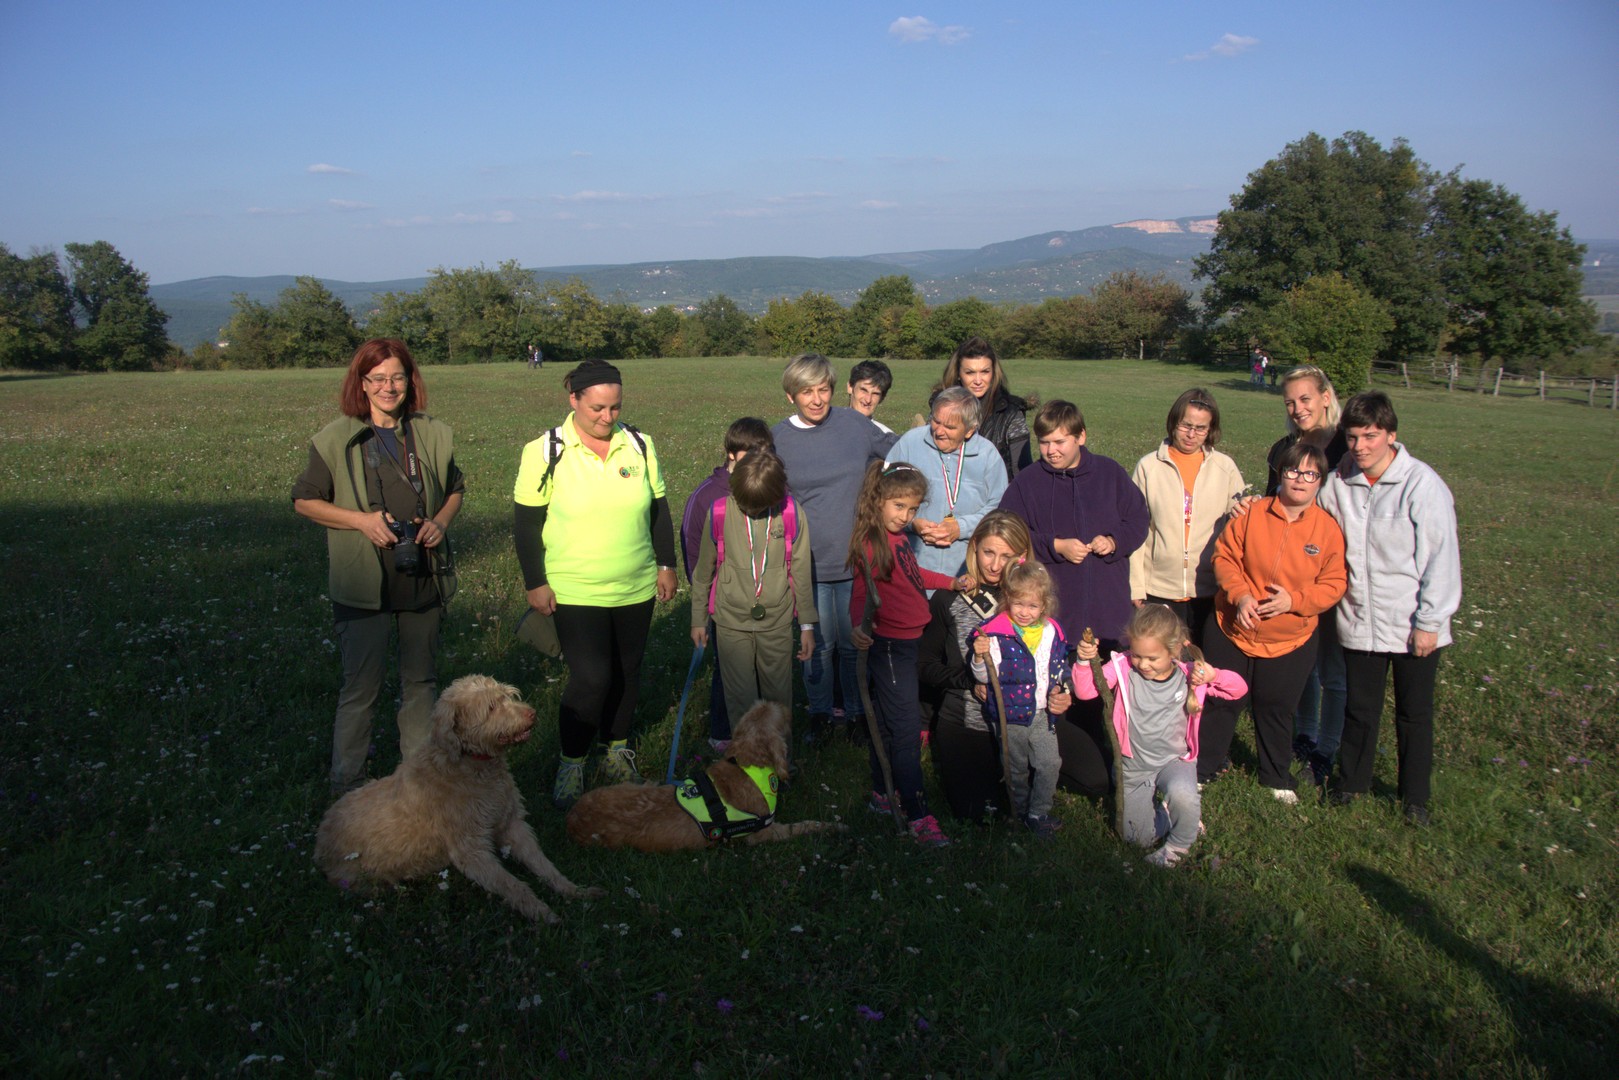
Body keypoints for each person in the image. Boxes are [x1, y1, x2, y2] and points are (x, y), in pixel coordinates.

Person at [293, 339, 465, 795]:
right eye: (379, 378)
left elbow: (455, 489)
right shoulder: (335, 438)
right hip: (362, 579)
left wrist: (440, 523)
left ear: (410, 381)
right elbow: (304, 501)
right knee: (361, 686)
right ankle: (347, 786)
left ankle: (420, 783)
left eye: (397, 377)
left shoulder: (431, 433)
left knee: (421, 682)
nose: (389, 387)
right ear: (363, 384)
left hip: (421, 574)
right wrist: (361, 522)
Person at [513, 360, 678, 808]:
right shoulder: (545, 450)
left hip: (635, 585)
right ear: (574, 400)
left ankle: (616, 751)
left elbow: (658, 510)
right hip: (574, 588)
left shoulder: (639, 444)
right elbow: (526, 524)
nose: (608, 417)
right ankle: (572, 762)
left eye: (615, 407)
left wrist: (666, 564)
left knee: (627, 671)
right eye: (597, 408)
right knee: (591, 678)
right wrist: (535, 582)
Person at [1316, 392, 1461, 826]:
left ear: (1391, 435)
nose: (1360, 446)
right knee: (1360, 708)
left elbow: (1441, 558)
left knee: (1414, 713)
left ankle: (1414, 797)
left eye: (1370, 436)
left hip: (1412, 621)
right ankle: (1352, 783)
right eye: (1352, 437)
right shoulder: (1338, 483)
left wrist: (1430, 621)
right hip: (1360, 618)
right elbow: (1313, 522)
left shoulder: (1421, 484)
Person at [998, 399, 1149, 797]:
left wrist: (1114, 540)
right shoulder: (1028, 482)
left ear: (1081, 437)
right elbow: (1009, 530)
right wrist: (1055, 546)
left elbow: (1138, 519)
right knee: (1059, 688)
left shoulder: (1110, 474)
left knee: (1107, 689)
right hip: (1056, 611)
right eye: (1044, 442)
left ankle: (1114, 755)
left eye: (1060, 442)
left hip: (1107, 606)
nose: (1051, 451)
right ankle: (1059, 760)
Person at [1197, 443, 1347, 802]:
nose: (1300, 480)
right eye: (1293, 471)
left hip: (1290, 638)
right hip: (1232, 627)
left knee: (1275, 706)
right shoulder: (1252, 514)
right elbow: (1225, 557)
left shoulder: (1327, 530)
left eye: (1310, 474)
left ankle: (1275, 776)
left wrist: (1294, 601)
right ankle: (1202, 768)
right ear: (1281, 474)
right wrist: (1240, 596)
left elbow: (1334, 583)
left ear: (1320, 481)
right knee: (1221, 700)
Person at [772, 354, 897, 740]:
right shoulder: (778, 438)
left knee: (852, 644)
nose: (816, 400)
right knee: (818, 646)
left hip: (855, 558)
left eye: (823, 390)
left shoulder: (855, 425)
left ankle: (857, 713)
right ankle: (820, 713)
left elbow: (902, 453)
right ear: (791, 395)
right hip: (806, 564)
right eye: (806, 392)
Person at [847, 462, 970, 847]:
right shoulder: (872, 544)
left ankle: (883, 794)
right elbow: (860, 593)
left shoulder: (898, 539)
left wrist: (950, 581)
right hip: (889, 647)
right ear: (878, 500)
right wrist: (858, 627)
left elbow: (914, 576)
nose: (905, 515)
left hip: (908, 643)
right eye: (898, 506)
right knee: (904, 732)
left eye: (912, 508)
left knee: (888, 725)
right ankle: (918, 814)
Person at [1073, 605, 1247, 867]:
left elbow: (1238, 690)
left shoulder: (1189, 675)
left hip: (1174, 760)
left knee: (1183, 793)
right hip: (1134, 766)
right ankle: (1167, 815)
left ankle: (1179, 845)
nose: (1143, 664)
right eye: (1137, 655)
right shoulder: (1123, 667)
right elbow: (1086, 691)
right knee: (1135, 837)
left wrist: (1215, 675)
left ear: (1174, 650)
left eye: (1152, 658)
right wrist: (1084, 661)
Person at [918, 511, 1034, 821]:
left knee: (1092, 778)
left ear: (1022, 556)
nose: (995, 565)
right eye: (988, 553)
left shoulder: (1032, 600)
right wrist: (969, 681)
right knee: (980, 814)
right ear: (974, 548)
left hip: (1023, 719)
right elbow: (924, 665)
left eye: (1006, 556)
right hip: (966, 718)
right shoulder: (947, 598)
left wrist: (1058, 690)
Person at [689, 450, 815, 725]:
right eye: (744, 505)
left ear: (775, 497)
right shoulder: (720, 512)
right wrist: (698, 619)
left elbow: (802, 572)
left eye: (757, 508)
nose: (750, 511)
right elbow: (703, 572)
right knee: (740, 703)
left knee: (778, 702)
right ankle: (746, 753)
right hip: (731, 622)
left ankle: (778, 753)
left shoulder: (791, 513)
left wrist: (807, 625)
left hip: (777, 622)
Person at [1266, 365, 1350, 777]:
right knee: (1302, 661)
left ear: (1326, 398)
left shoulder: (1347, 447)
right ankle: (1305, 733)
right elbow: (1271, 501)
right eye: (1290, 402)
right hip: (1291, 569)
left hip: (1332, 565)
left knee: (1332, 665)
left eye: (1305, 399)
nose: (1298, 408)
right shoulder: (1284, 449)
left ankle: (1327, 746)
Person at [680, 417, 775, 748]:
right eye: (752, 453)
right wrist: (705, 602)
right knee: (730, 670)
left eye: (765, 452)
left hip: (766, 599)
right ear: (732, 453)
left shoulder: (771, 487)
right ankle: (723, 735)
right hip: (725, 604)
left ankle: (762, 733)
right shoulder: (707, 496)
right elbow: (694, 550)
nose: (759, 460)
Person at [1128, 388, 1247, 643]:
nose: (1192, 435)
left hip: (1209, 589)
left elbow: (1240, 527)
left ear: (1210, 429)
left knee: (1202, 662)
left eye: (1201, 428)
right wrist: (1136, 585)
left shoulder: (1224, 467)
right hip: (1159, 588)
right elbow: (1136, 530)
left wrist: (1245, 509)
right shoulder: (1149, 466)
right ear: (1174, 422)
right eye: (1186, 426)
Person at [968, 560, 1073, 835]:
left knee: (1050, 763)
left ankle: (1038, 812)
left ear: (1045, 604)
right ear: (1007, 599)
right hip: (1010, 715)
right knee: (1016, 769)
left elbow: (1061, 667)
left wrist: (1060, 688)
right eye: (1018, 604)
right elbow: (983, 676)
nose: (1025, 612)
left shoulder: (1052, 631)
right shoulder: (995, 632)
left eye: (1033, 606)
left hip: (1042, 713)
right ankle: (1019, 812)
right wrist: (979, 656)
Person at [885, 385, 1009, 582]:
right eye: (936, 421)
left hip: (965, 573)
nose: (939, 431)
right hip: (912, 569)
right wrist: (911, 523)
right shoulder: (910, 443)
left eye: (950, 427)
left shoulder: (988, 456)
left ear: (969, 430)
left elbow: (999, 508)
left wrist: (962, 527)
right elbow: (882, 494)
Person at [933, 336, 1035, 479]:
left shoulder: (1011, 413)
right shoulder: (940, 406)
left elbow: (1023, 473)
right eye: (970, 372)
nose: (978, 381)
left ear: (993, 373)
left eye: (985, 371)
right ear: (958, 374)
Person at [846, 359, 895, 434]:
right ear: (850, 387)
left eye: (875, 393)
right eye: (864, 390)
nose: (868, 400)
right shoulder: (829, 426)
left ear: (882, 398)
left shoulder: (885, 437)